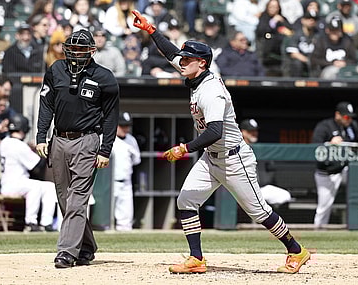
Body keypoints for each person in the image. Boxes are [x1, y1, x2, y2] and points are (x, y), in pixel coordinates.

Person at [132, 10, 310, 274]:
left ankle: (297, 250)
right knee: (186, 201)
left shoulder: (212, 91)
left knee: (259, 212)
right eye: (184, 57)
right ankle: (196, 259)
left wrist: (184, 148)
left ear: (202, 63)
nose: (182, 61)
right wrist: (150, 30)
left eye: (188, 58)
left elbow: (215, 131)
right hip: (211, 159)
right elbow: (171, 53)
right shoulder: (195, 74)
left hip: (233, 157)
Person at [35, 29, 119, 268]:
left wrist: (105, 150)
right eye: (73, 48)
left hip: (87, 140)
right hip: (59, 140)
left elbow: (111, 117)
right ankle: (86, 246)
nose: (76, 52)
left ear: (92, 50)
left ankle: (66, 252)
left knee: (77, 199)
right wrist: (41, 136)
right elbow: (46, 105)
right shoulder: (55, 70)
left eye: (82, 48)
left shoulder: (105, 77)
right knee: (64, 198)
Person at [0, 113, 58, 232]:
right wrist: (42, 149)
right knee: (35, 186)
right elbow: (38, 166)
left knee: (49, 187)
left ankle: (46, 223)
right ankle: (31, 222)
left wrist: (31, 148)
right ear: (23, 128)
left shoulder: (5, 141)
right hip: (13, 184)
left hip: (12, 183)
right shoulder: (18, 145)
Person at [312, 102, 358, 229]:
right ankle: (317, 231)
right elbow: (314, 148)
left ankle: (357, 225)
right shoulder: (325, 126)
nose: (349, 120)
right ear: (337, 115)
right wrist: (329, 143)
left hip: (345, 169)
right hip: (327, 173)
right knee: (324, 207)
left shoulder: (353, 127)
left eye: (350, 117)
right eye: (346, 117)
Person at [239, 119, 292, 206]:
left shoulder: (262, 150)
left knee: (285, 195)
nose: (254, 133)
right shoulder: (237, 148)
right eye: (250, 131)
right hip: (242, 189)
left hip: (260, 189)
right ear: (243, 132)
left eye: (255, 130)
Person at [112, 112, 141, 231]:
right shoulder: (109, 138)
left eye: (127, 126)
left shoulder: (131, 140)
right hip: (111, 181)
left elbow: (136, 160)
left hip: (126, 181)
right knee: (106, 214)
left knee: (126, 216)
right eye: (122, 126)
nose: (125, 129)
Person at [255, 0, 293, 76]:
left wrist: (282, 23)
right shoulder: (264, 17)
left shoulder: (282, 18)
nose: (273, 9)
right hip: (267, 49)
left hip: (281, 49)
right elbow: (261, 31)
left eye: (275, 7)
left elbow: (290, 31)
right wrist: (273, 22)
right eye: (271, 7)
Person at [282, 10, 320, 77]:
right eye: (308, 18)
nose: (311, 21)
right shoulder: (296, 34)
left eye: (314, 19)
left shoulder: (318, 35)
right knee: (297, 63)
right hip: (299, 63)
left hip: (313, 62)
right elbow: (293, 54)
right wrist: (307, 60)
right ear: (303, 20)